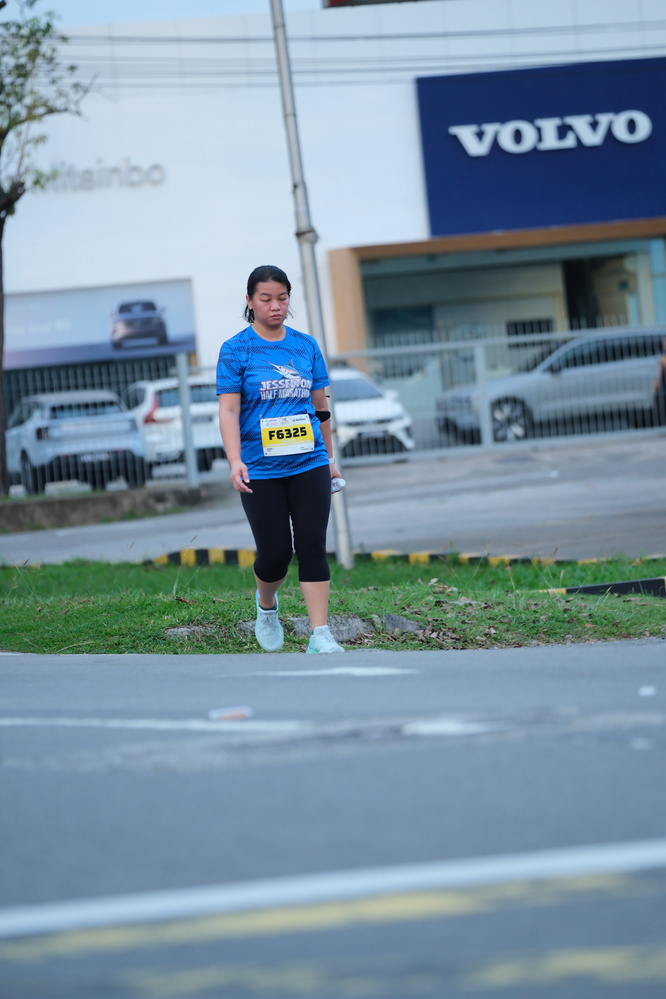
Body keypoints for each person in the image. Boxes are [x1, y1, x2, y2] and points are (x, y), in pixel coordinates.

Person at [216, 265, 345, 654]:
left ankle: (320, 634)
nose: (275, 306)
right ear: (250, 301)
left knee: (312, 545)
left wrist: (329, 457)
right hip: (260, 467)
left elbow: (321, 407)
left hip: (309, 462)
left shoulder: (306, 346)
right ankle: (266, 604)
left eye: (282, 298)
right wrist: (234, 461)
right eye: (266, 299)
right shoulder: (235, 349)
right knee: (275, 555)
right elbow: (228, 412)